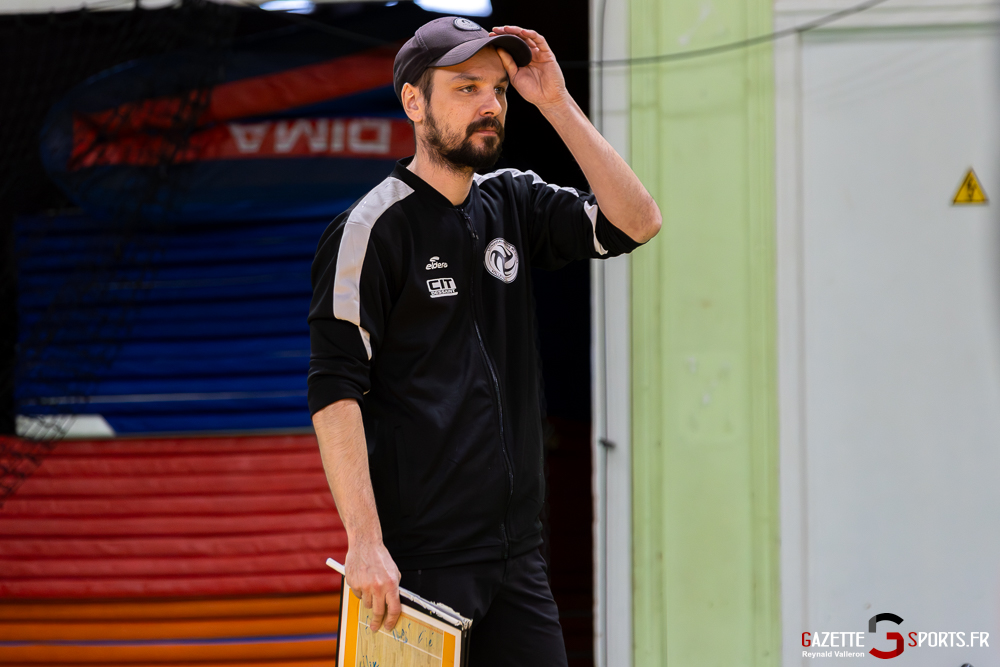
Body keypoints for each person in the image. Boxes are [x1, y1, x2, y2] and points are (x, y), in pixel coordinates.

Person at [307, 16, 660, 666]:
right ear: (414, 101)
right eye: (466, 87)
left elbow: (636, 221)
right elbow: (335, 390)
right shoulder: (369, 229)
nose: (491, 104)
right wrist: (365, 542)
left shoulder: (515, 201)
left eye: (497, 88)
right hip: (413, 573)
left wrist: (554, 103)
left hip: (516, 563)